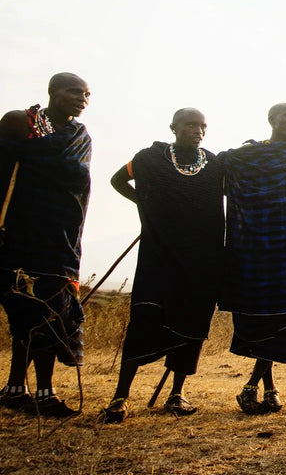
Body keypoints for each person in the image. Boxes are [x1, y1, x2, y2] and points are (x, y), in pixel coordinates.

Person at [99, 108, 225, 423]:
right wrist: (146, 203)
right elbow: (118, 179)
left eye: (203, 126)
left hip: (201, 257)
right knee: (146, 316)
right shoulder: (149, 159)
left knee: (192, 322)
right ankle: (120, 396)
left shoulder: (215, 165)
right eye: (191, 124)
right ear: (173, 127)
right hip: (159, 253)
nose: (198, 130)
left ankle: (176, 394)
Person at [220, 103, 286, 415]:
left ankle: (254, 385)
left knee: (284, 320)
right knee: (263, 320)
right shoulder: (250, 155)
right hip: (257, 253)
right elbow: (223, 167)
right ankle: (267, 387)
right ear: (271, 120)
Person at [0, 72, 91, 417]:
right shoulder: (17, 123)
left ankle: (44, 392)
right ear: (52, 92)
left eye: (86, 94)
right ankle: (15, 388)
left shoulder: (80, 135)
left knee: (51, 311)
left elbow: (80, 191)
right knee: (22, 308)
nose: (82, 98)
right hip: (19, 230)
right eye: (74, 91)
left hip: (60, 237)